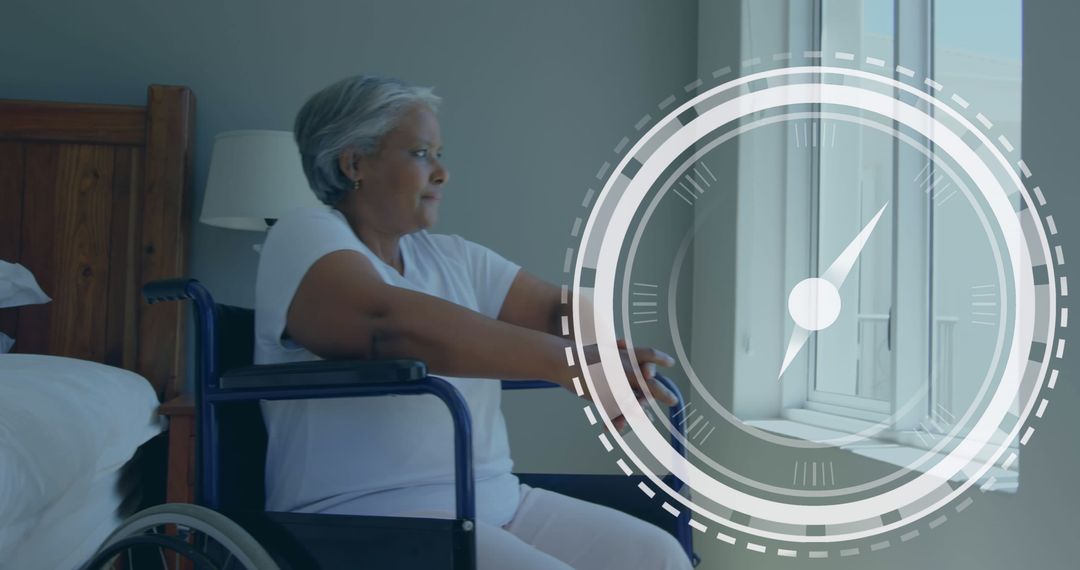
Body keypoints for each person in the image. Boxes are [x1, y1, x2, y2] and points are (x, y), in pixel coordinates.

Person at [254, 74, 692, 570]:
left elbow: (557, 310)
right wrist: (566, 365)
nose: (442, 173)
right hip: (364, 513)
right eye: (421, 154)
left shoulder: (454, 258)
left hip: (495, 500)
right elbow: (387, 323)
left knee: (658, 556)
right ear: (354, 163)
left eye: (438, 154)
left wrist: (605, 358)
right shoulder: (302, 234)